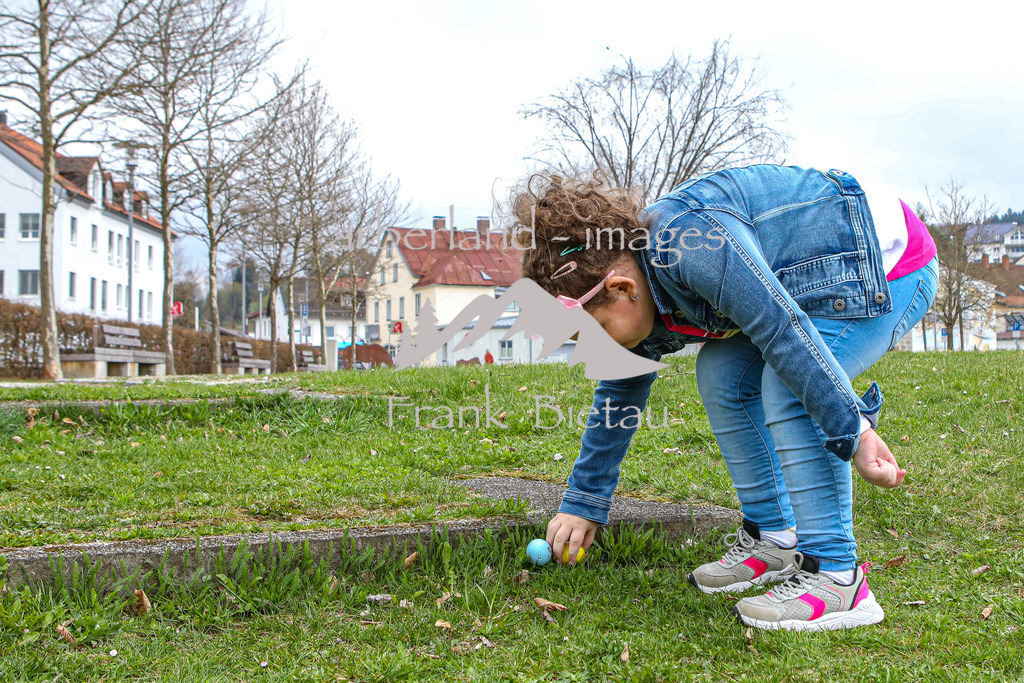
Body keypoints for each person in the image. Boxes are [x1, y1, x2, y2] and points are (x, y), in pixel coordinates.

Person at [508, 165, 938, 632]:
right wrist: (584, 500)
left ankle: (838, 578)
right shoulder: (639, 288)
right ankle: (773, 540)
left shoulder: (690, 246)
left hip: (883, 262)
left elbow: (782, 330)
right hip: (802, 292)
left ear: (621, 289)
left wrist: (854, 429)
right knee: (721, 373)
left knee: (787, 385)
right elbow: (621, 385)